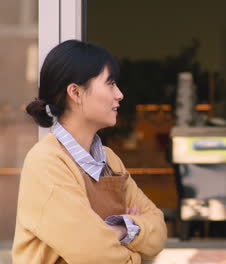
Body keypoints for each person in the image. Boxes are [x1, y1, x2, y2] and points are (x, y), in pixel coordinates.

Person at [12, 40, 167, 264]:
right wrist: (135, 249)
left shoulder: (110, 160)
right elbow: (95, 255)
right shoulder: (46, 162)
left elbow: (159, 231)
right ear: (75, 92)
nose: (120, 94)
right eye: (110, 83)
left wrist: (120, 230)